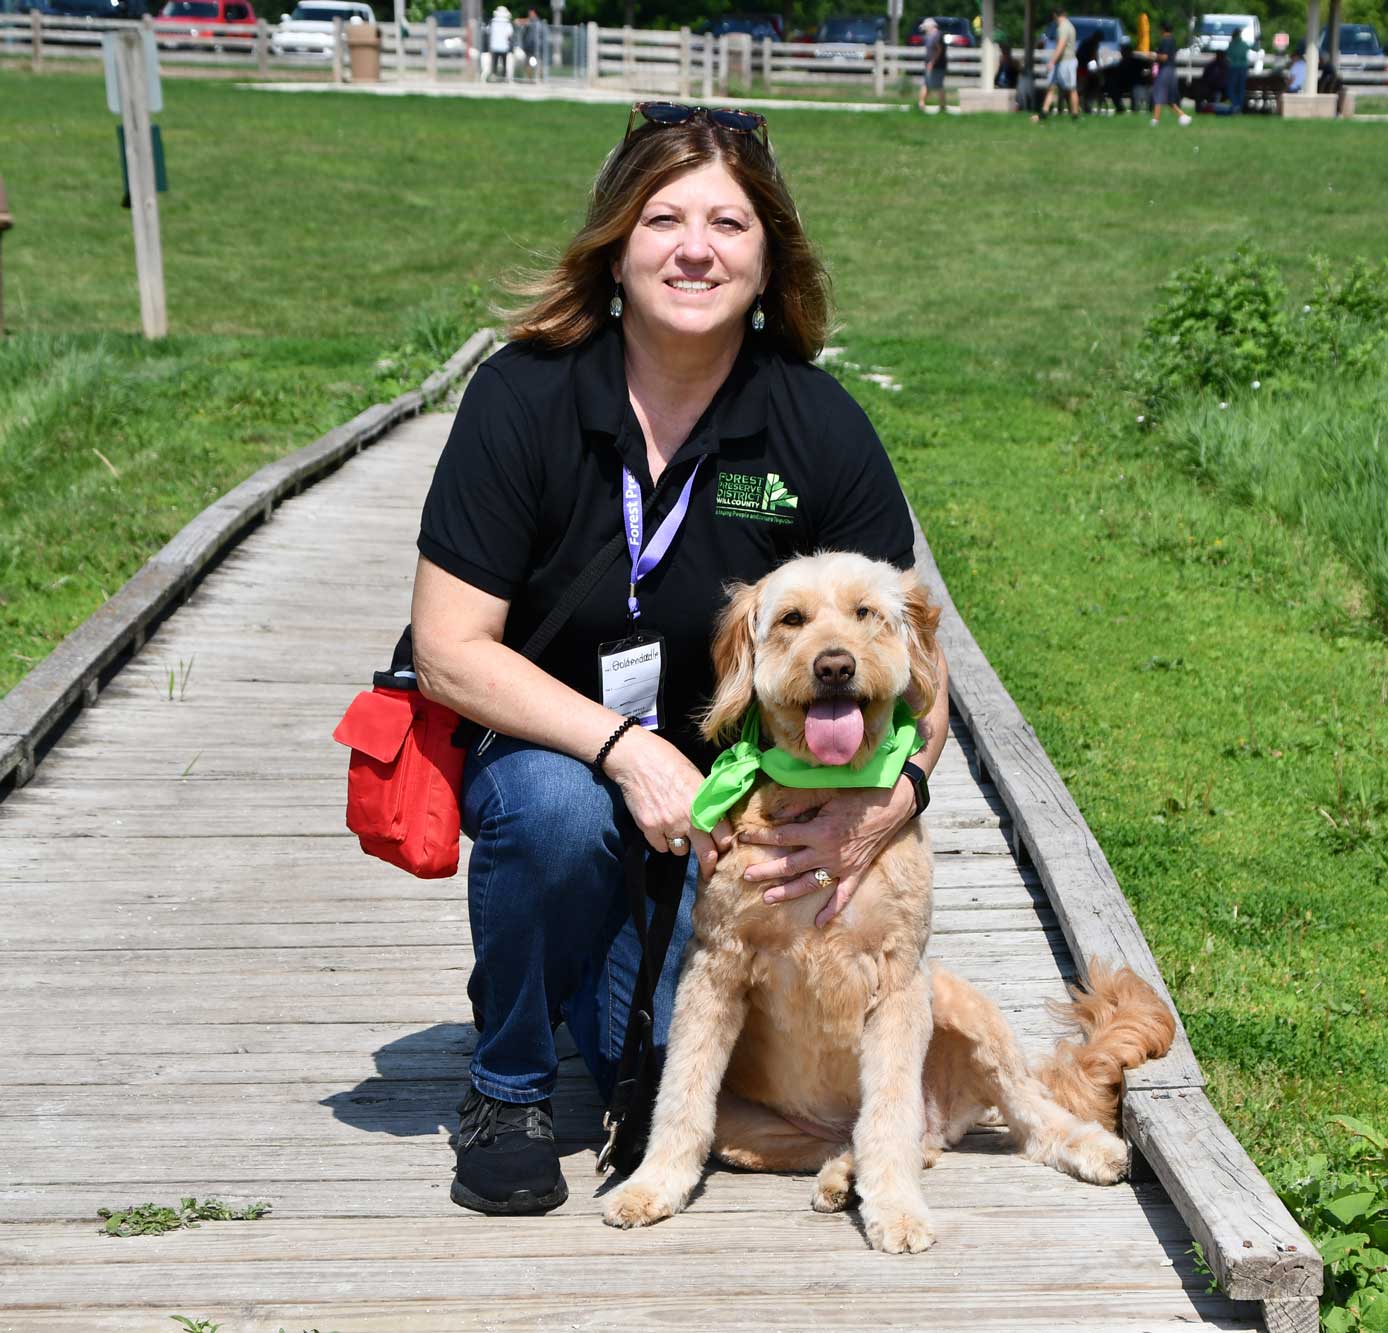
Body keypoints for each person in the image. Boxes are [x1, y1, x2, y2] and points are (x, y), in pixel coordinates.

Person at [411, 101, 948, 1216]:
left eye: (728, 223)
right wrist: (626, 753)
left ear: (768, 258)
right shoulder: (525, 395)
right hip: (560, 752)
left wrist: (891, 797)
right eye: (662, 217)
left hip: (739, 818)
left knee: (648, 1070)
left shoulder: (818, 425)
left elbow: (913, 656)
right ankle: (507, 1083)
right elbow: (448, 648)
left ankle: (590, 980)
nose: (694, 247)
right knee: (556, 815)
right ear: (616, 243)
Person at [1032, 6, 1079, 123]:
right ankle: (1043, 113)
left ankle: (1075, 115)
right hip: (1063, 61)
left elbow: (1061, 45)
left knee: (1071, 89)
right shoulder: (1069, 25)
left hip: (1066, 61)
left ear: (1055, 15)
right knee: (1051, 87)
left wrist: (1052, 61)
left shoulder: (1063, 27)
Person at [1143, 20, 1190, 126]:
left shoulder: (1165, 40)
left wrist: (1153, 56)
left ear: (1163, 29)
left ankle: (1155, 120)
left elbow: (1164, 57)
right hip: (1172, 70)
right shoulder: (1173, 40)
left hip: (1165, 70)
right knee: (1169, 97)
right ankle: (1182, 116)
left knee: (1158, 93)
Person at [917, 17, 946, 114]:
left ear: (931, 27)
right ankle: (921, 104)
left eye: (925, 28)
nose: (925, 31)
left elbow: (939, 50)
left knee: (938, 86)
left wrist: (932, 62)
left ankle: (942, 107)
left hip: (937, 65)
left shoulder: (937, 36)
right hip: (930, 64)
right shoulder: (930, 36)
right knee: (926, 84)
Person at [1224, 22, 1250, 115]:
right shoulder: (1244, 44)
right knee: (1241, 88)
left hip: (1233, 68)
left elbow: (1227, 57)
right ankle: (1239, 106)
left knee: (1231, 88)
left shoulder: (1231, 45)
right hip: (1243, 68)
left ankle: (1235, 105)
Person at [486, 4, 513, 81]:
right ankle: (503, 77)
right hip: (504, 46)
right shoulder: (507, 23)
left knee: (494, 63)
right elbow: (510, 34)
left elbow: (489, 31)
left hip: (494, 46)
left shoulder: (493, 22)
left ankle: (494, 76)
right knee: (504, 63)